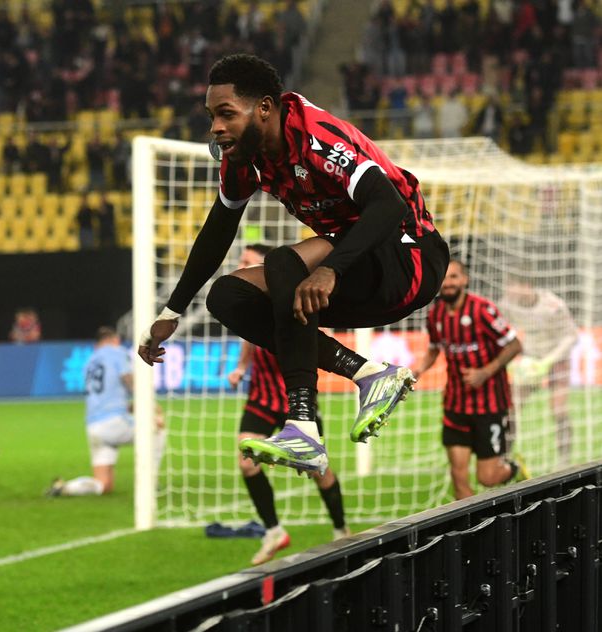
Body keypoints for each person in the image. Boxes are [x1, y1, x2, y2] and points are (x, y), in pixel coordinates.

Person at [137, 54, 450, 476]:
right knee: (228, 296)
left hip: (409, 257)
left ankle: (304, 424)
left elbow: (388, 204)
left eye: (226, 113)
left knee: (284, 263)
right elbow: (217, 230)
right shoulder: (243, 160)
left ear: (264, 108)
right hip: (355, 270)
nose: (215, 128)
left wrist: (331, 269)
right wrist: (171, 311)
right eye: (211, 116)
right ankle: (362, 377)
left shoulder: (316, 136)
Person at [227, 245, 350, 566]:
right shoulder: (247, 302)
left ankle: (341, 530)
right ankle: (274, 531)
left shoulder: (293, 295)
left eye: (247, 262)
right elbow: (249, 338)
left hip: (294, 396)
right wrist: (241, 367)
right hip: (261, 395)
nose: (240, 266)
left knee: (318, 470)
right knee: (246, 461)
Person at [411, 259, 527, 500]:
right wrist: (417, 370)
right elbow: (434, 349)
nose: (448, 283)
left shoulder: (483, 309)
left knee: (487, 478)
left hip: (490, 405)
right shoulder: (435, 315)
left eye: (454, 277)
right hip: (455, 404)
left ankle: (513, 469)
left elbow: (515, 344)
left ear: (465, 280)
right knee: (458, 476)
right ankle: (468, 533)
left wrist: (485, 371)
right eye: (444, 278)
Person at [47, 326, 165, 496]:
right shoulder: (117, 353)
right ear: (114, 340)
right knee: (157, 429)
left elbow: (105, 395)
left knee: (104, 485)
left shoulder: (89, 361)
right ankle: (150, 482)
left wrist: (129, 406)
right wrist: (149, 403)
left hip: (93, 426)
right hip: (114, 423)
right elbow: (128, 379)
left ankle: (65, 488)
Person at [500, 272, 578, 467]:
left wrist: (548, 362)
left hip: (557, 358)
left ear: (527, 285)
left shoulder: (553, 305)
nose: (508, 290)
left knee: (558, 410)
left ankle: (564, 460)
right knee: (510, 409)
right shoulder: (506, 304)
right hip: (530, 361)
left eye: (512, 285)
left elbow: (571, 337)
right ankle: (504, 458)